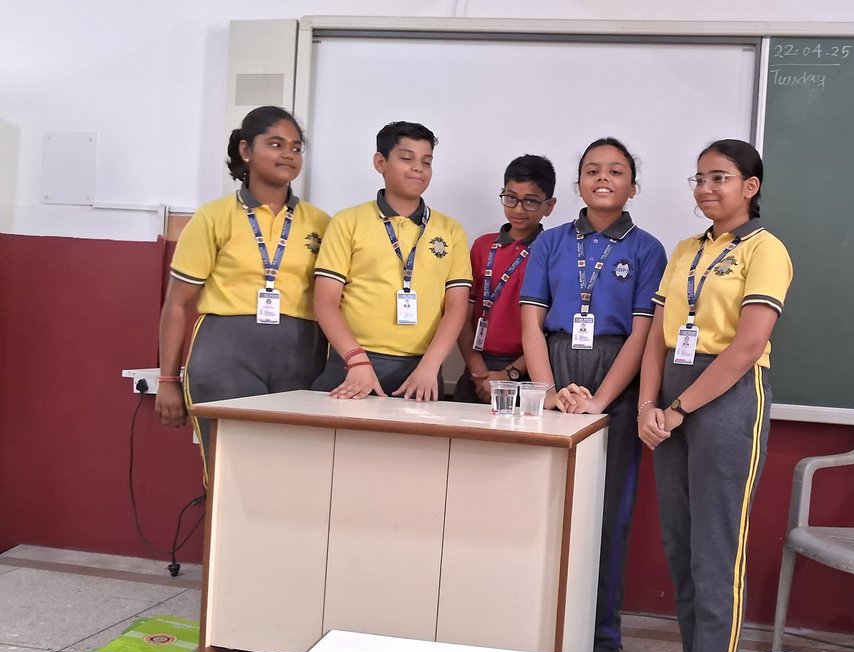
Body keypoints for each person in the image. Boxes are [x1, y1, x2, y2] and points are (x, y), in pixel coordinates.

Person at [637, 139, 792, 652]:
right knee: (678, 539)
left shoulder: (765, 248)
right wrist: (646, 406)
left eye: (719, 178)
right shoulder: (686, 250)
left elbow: (748, 346)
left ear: (750, 187)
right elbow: (657, 335)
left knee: (715, 544)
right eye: (699, 178)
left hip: (727, 398)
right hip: (670, 397)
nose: (705, 188)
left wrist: (678, 408)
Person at [520, 137, 667, 652]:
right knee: (540, 508)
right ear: (578, 181)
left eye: (617, 171)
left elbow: (642, 334)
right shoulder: (551, 242)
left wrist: (600, 402)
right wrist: (552, 394)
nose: (603, 178)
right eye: (591, 170)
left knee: (609, 516)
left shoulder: (648, 249)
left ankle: (600, 641)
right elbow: (531, 323)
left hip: (616, 386)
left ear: (632, 184)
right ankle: (532, 629)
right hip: (554, 373)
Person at [156, 106, 331, 482]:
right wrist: (168, 381)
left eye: (296, 147)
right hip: (226, 357)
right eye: (276, 144)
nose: (288, 154)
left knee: (290, 476)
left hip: (300, 358)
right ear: (246, 151)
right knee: (229, 475)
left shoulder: (321, 223)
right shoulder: (213, 217)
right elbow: (176, 304)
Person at [311, 121, 470, 399]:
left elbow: (456, 306)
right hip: (354, 365)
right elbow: (325, 300)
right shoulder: (348, 222)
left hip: (422, 370)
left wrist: (431, 365)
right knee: (340, 442)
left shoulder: (450, 230)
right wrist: (356, 359)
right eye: (407, 158)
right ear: (380, 162)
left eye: (426, 161)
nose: (418, 168)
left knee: (416, 444)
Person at [454, 155, 557, 403]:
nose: (519, 209)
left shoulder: (553, 250)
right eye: (511, 198)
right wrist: (478, 370)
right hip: (476, 368)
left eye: (530, 202)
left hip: (528, 373)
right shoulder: (482, 246)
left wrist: (509, 374)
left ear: (549, 206)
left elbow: (549, 330)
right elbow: (461, 315)